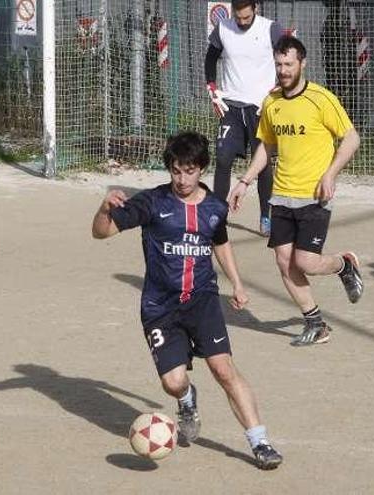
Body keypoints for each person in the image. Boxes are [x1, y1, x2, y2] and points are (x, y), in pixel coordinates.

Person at [91, 131, 283, 470]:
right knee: (173, 382)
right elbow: (100, 233)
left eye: (190, 171)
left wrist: (237, 284)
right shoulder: (151, 203)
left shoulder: (214, 208)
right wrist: (104, 209)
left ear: (202, 169)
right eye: (177, 171)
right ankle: (186, 400)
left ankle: (260, 442)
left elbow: (220, 242)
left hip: (203, 302)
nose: (182, 179)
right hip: (160, 307)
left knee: (224, 370)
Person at [228, 36, 364, 347]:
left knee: (305, 263)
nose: (283, 70)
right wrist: (245, 181)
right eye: (278, 64)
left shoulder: (321, 99)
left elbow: (352, 138)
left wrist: (330, 174)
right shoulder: (272, 102)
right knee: (283, 262)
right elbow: (266, 146)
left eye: (289, 64)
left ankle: (345, 264)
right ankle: (315, 323)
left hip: (315, 195)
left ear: (303, 63)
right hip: (281, 196)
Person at [205, 0, 283, 237]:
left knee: (263, 164)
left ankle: (265, 216)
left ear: (256, 9)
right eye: (238, 18)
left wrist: (279, 90)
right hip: (231, 106)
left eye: (246, 18)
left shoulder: (271, 29)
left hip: (262, 108)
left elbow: (287, 60)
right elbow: (210, 59)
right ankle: (219, 215)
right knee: (223, 156)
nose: (242, 22)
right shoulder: (223, 28)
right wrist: (212, 88)